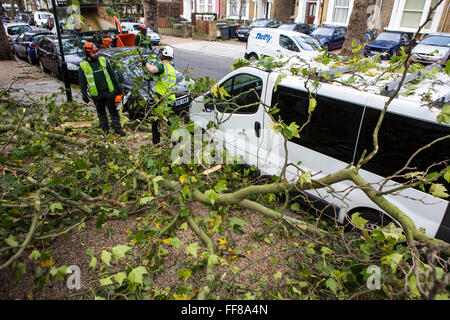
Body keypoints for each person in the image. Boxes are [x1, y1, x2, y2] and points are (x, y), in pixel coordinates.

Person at [78, 42, 126, 136]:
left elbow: (112, 75)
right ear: (88, 54)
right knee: (101, 113)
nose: (95, 54)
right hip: (96, 94)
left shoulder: (103, 61)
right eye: (93, 53)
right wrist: (84, 94)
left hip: (108, 91)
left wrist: (117, 87)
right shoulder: (83, 66)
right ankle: (105, 131)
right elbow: (82, 81)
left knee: (113, 111)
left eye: (96, 52)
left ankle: (118, 128)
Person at [145, 46, 177, 143]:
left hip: (162, 99)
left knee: (155, 121)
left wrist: (145, 63)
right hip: (170, 98)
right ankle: (175, 141)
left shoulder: (162, 66)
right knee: (170, 121)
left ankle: (156, 142)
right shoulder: (171, 68)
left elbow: (152, 70)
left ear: (163, 55)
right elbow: (159, 77)